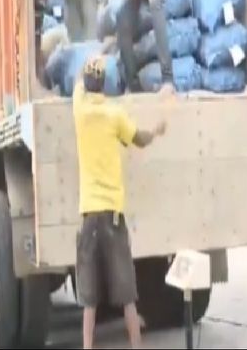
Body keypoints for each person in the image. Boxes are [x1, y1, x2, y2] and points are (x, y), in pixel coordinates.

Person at [73, 52, 167, 350]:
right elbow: (138, 138)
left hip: (89, 216)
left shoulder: (79, 110)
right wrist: (157, 131)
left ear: (87, 85)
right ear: (106, 85)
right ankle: (136, 347)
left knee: (89, 299)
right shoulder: (114, 114)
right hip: (113, 216)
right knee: (127, 294)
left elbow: (76, 81)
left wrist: (90, 57)